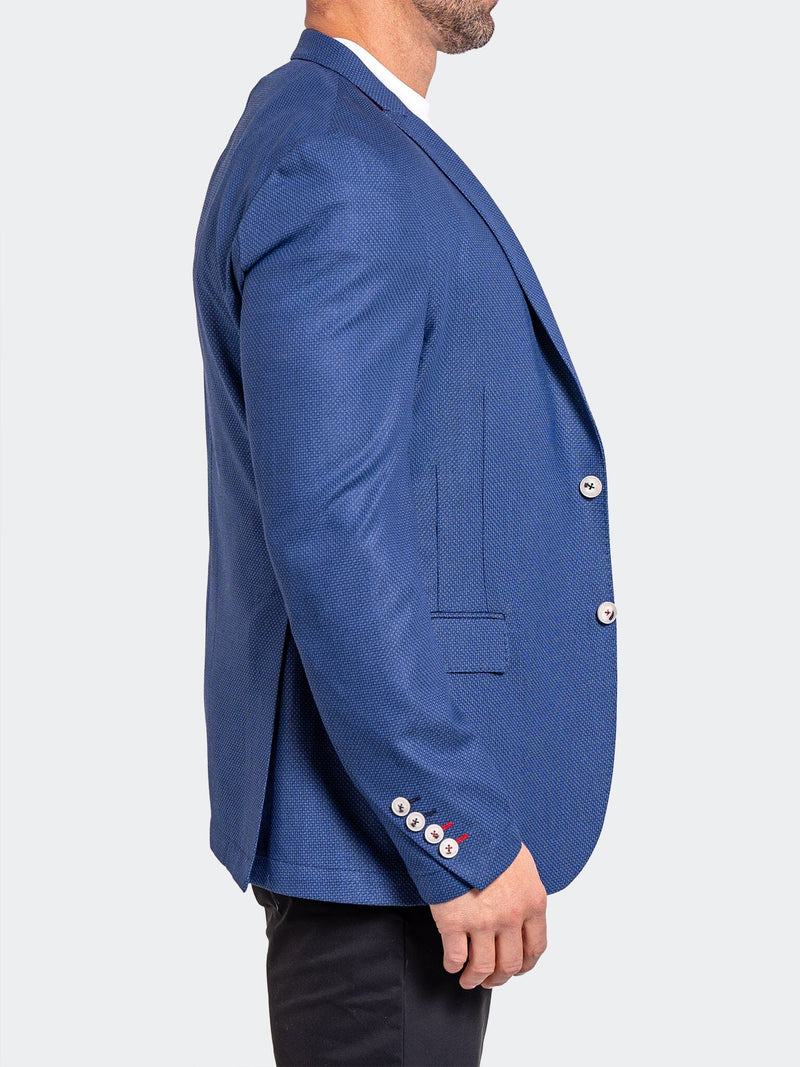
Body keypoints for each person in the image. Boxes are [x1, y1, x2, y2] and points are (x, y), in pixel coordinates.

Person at [192, 1, 617, 1063]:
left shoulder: (339, 135)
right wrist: (456, 822)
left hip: (382, 848)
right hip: (381, 844)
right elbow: (331, 532)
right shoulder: (335, 160)